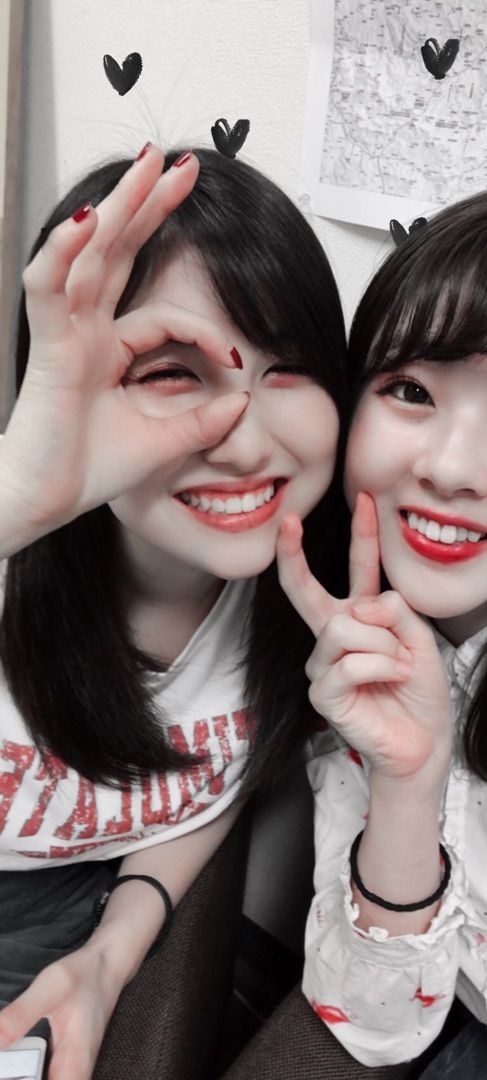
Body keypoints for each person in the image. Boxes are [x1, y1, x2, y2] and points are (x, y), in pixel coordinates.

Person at [0, 142, 348, 1078]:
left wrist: (111, 956)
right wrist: (14, 501)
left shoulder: (308, 599)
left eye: (287, 368)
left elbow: (197, 787)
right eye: (170, 373)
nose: (245, 441)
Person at [274, 187, 487, 1078]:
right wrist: (407, 782)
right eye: (411, 390)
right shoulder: (347, 647)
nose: (450, 468)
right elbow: (373, 1027)